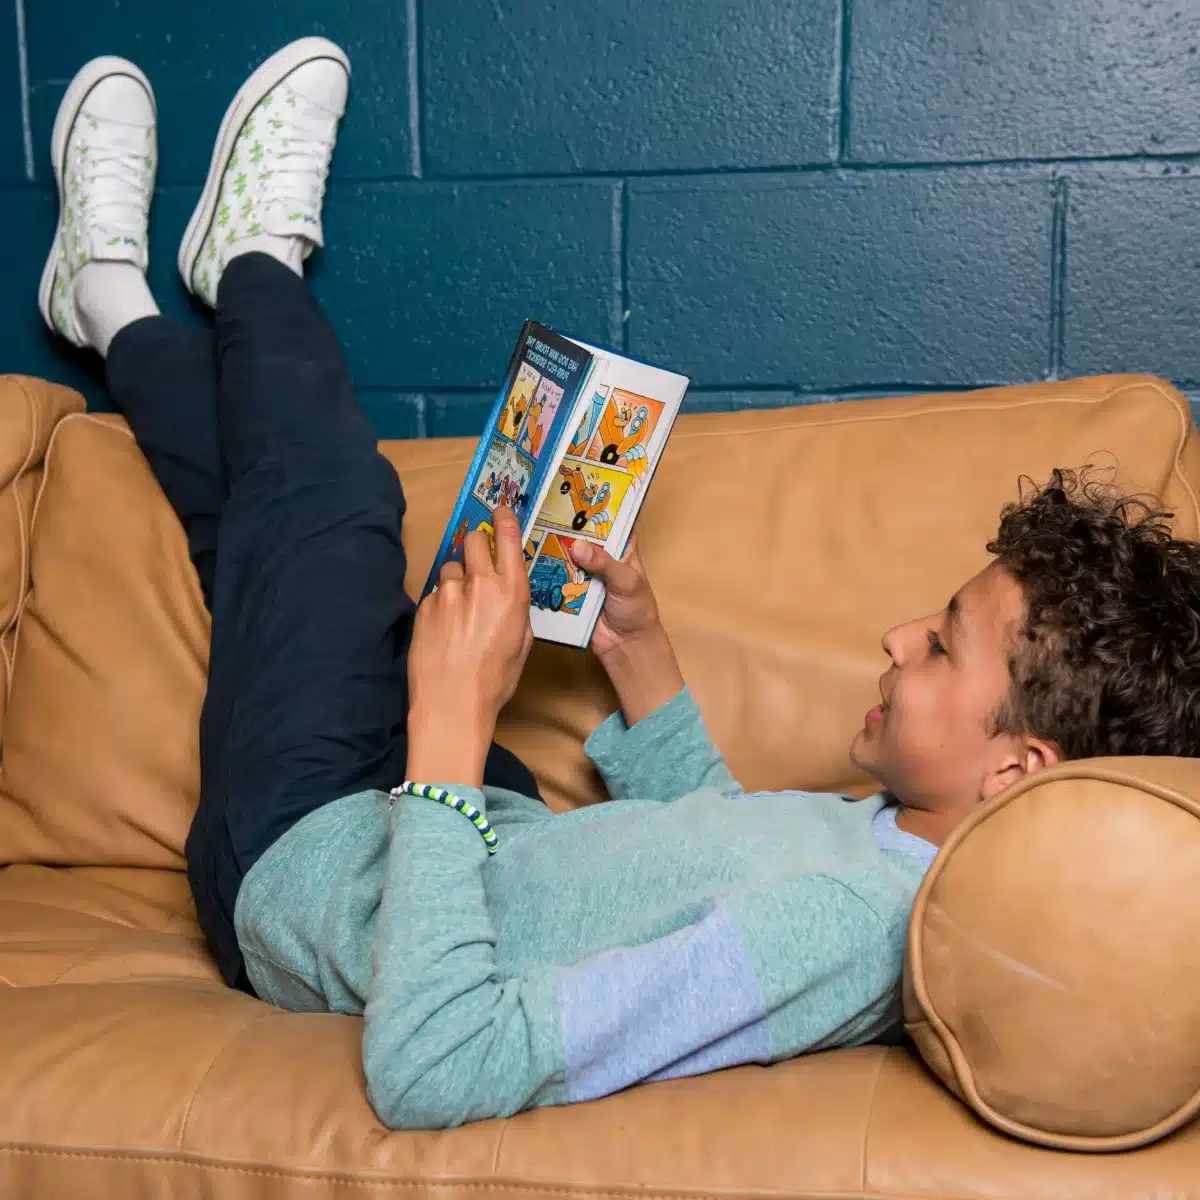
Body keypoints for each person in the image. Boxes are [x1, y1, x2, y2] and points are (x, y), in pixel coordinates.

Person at [40, 39, 1200, 1132]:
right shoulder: (897, 850)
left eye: (945, 644)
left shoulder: (848, 933)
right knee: (264, 532)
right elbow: (715, 851)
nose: (899, 637)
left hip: (309, 867)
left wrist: (449, 725)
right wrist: (638, 650)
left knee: (341, 512)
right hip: (444, 823)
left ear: (1017, 767)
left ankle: (250, 265)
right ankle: (110, 303)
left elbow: (439, 1063)